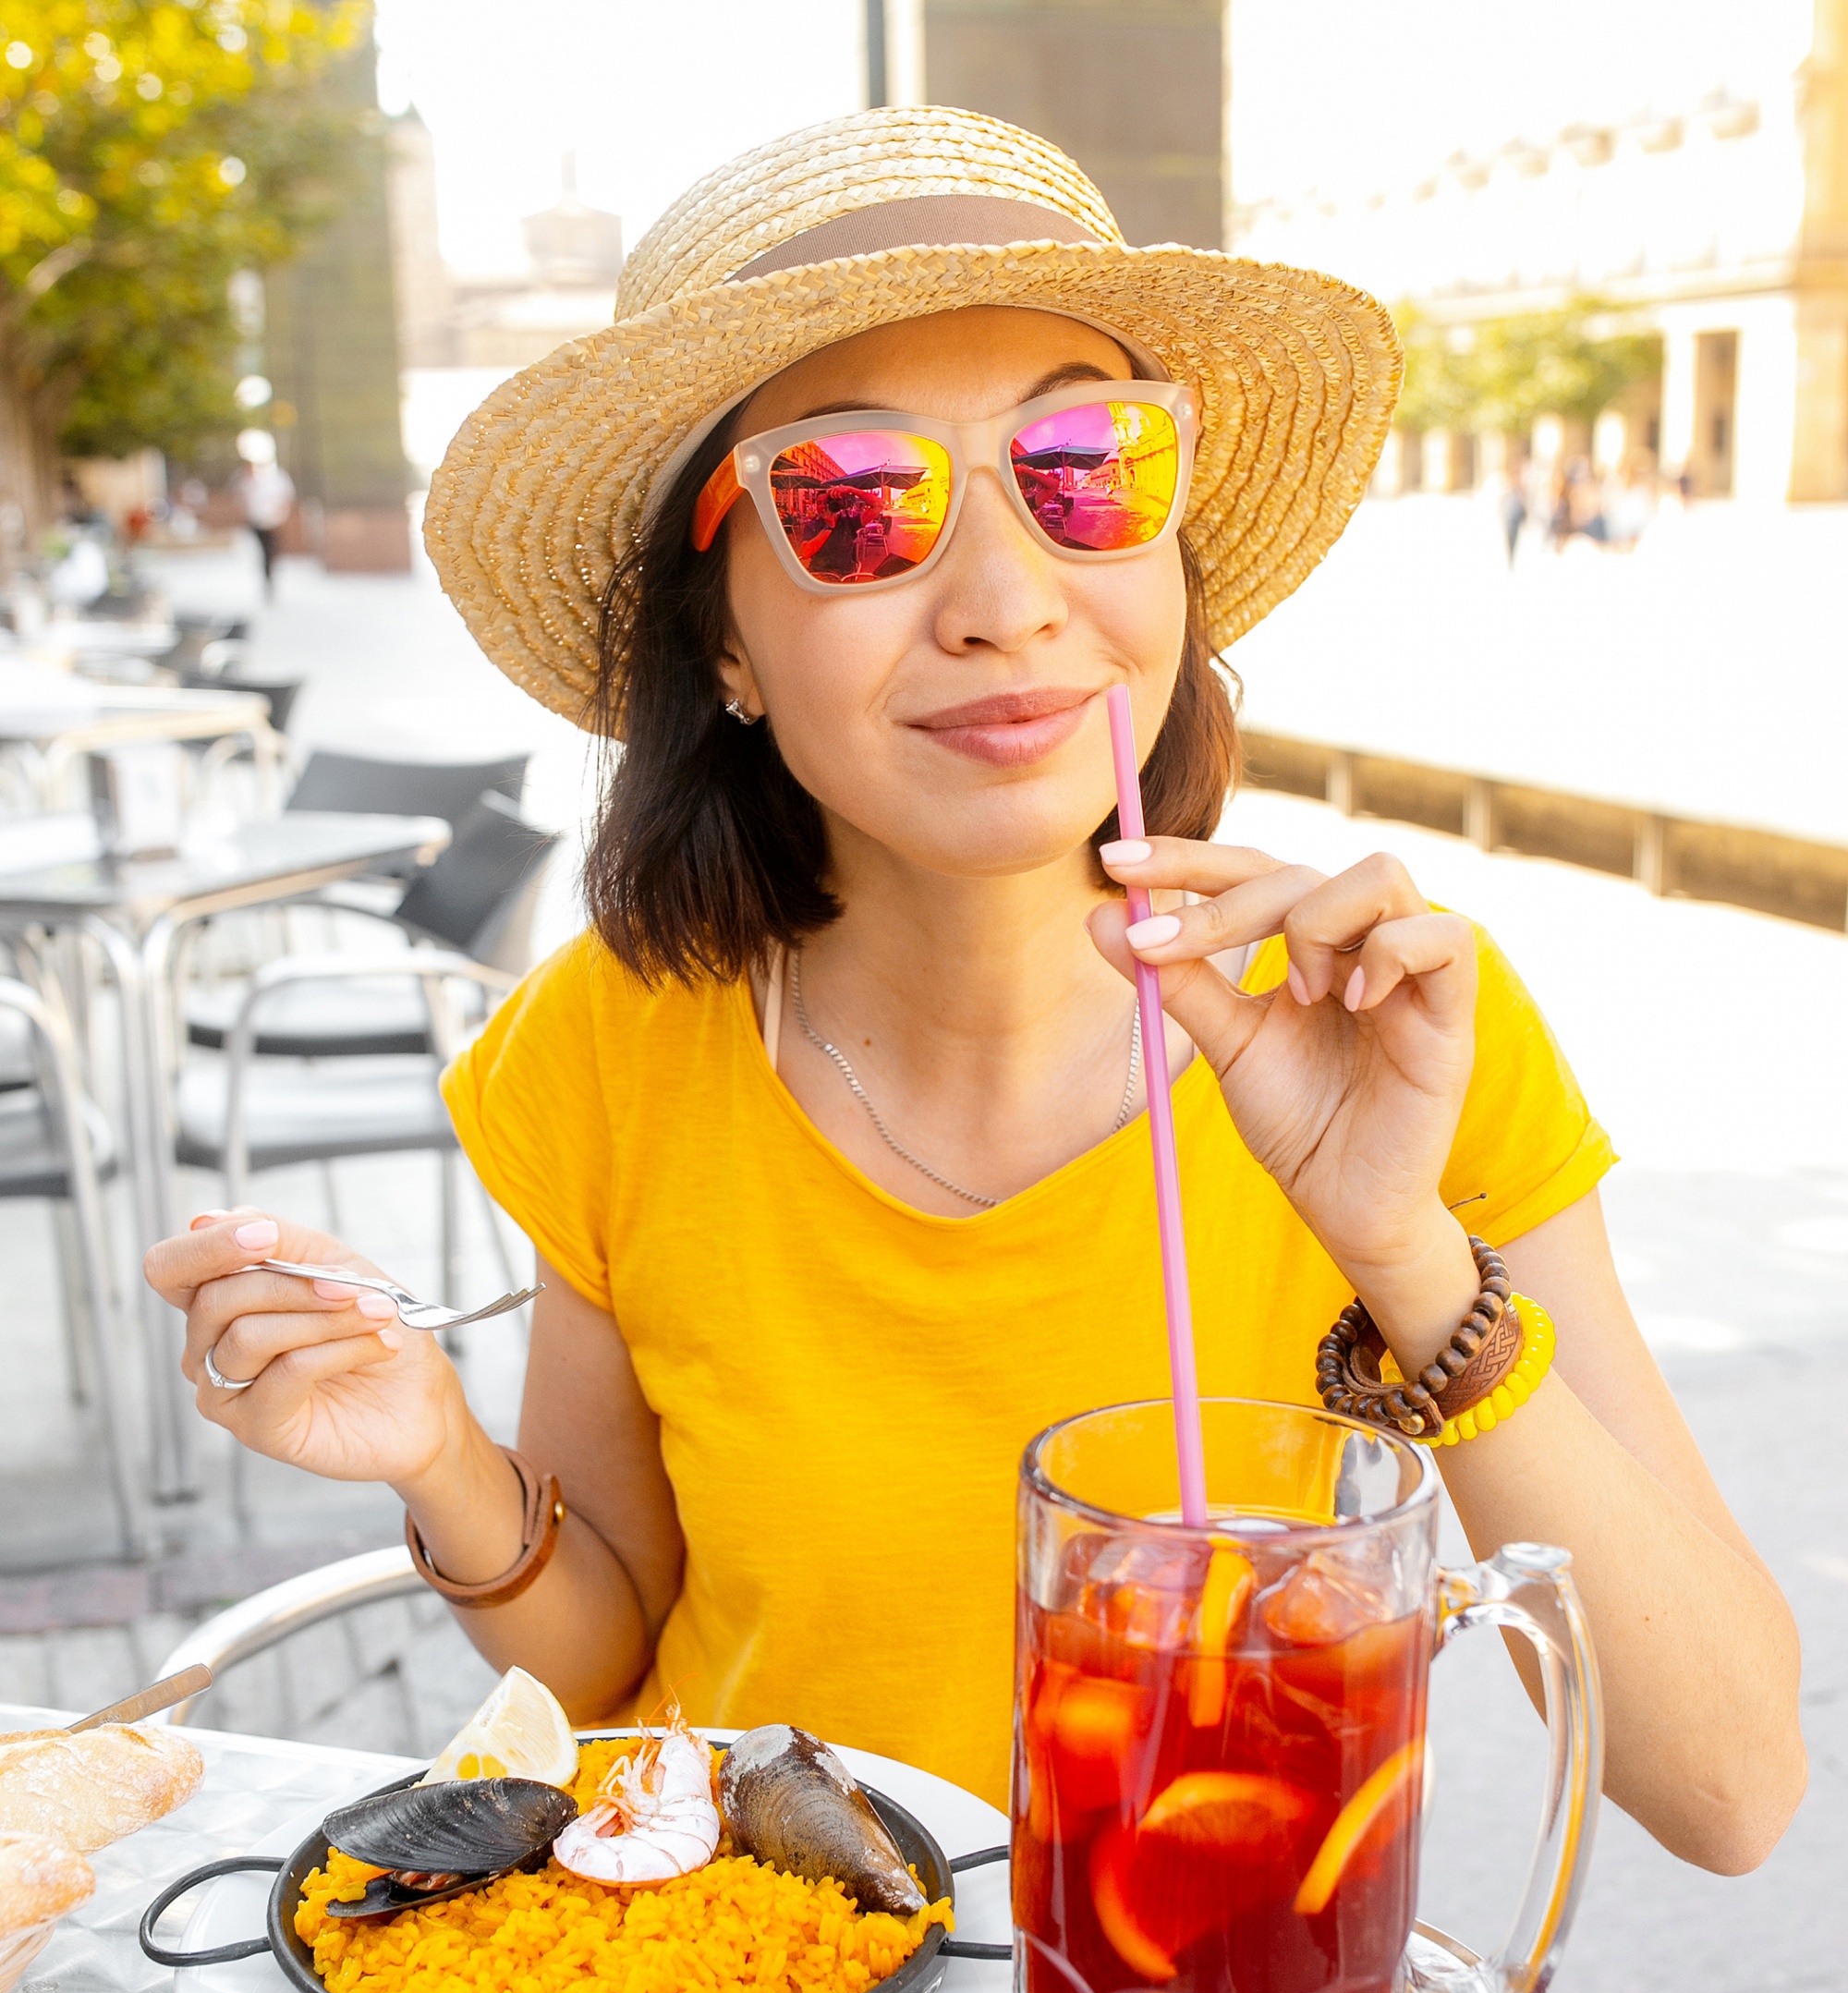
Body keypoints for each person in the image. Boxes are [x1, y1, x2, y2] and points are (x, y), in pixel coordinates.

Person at [145, 109, 1804, 1867]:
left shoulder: (1384, 1021)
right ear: (722, 640)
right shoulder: (618, 1038)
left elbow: (1729, 1783)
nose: (1011, 601)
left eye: (1086, 468)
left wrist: (1406, 1257)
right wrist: (436, 1457)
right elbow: (613, 1651)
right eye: (856, 504)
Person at [231, 428, 295, 594]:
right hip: (256, 521)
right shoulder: (247, 478)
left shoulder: (277, 476)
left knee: (270, 551)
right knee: (261, 552)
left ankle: (270, 576)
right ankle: (266, 577)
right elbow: (240, 497)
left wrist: (280, 515)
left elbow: (286, 498)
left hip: (273, 522)